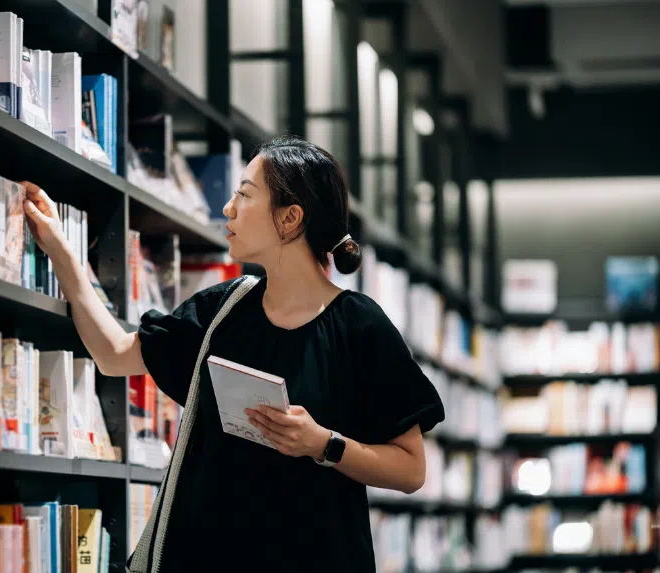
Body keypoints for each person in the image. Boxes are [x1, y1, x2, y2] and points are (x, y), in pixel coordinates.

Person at [22, 136, 445, 573]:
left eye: (244, 194)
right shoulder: (223, 311)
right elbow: (113, 355)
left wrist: (323, 444)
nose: (228, 207)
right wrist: (62, 253)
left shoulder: (360, 327)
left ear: (289, 218)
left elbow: (411, 469)